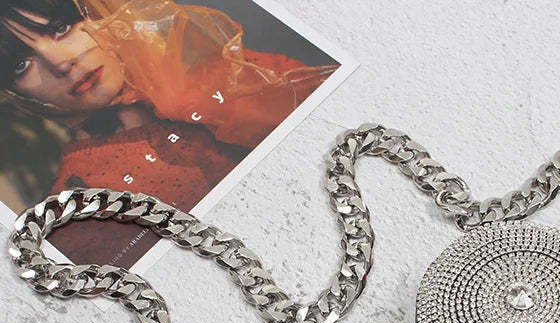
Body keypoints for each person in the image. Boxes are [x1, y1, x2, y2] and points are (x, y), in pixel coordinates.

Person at [1, 0, 336, 264]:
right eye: (20, 65)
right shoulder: (80, 212)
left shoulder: (239, 73)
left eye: (61, 28)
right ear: (11, 94)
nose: (61, 62)